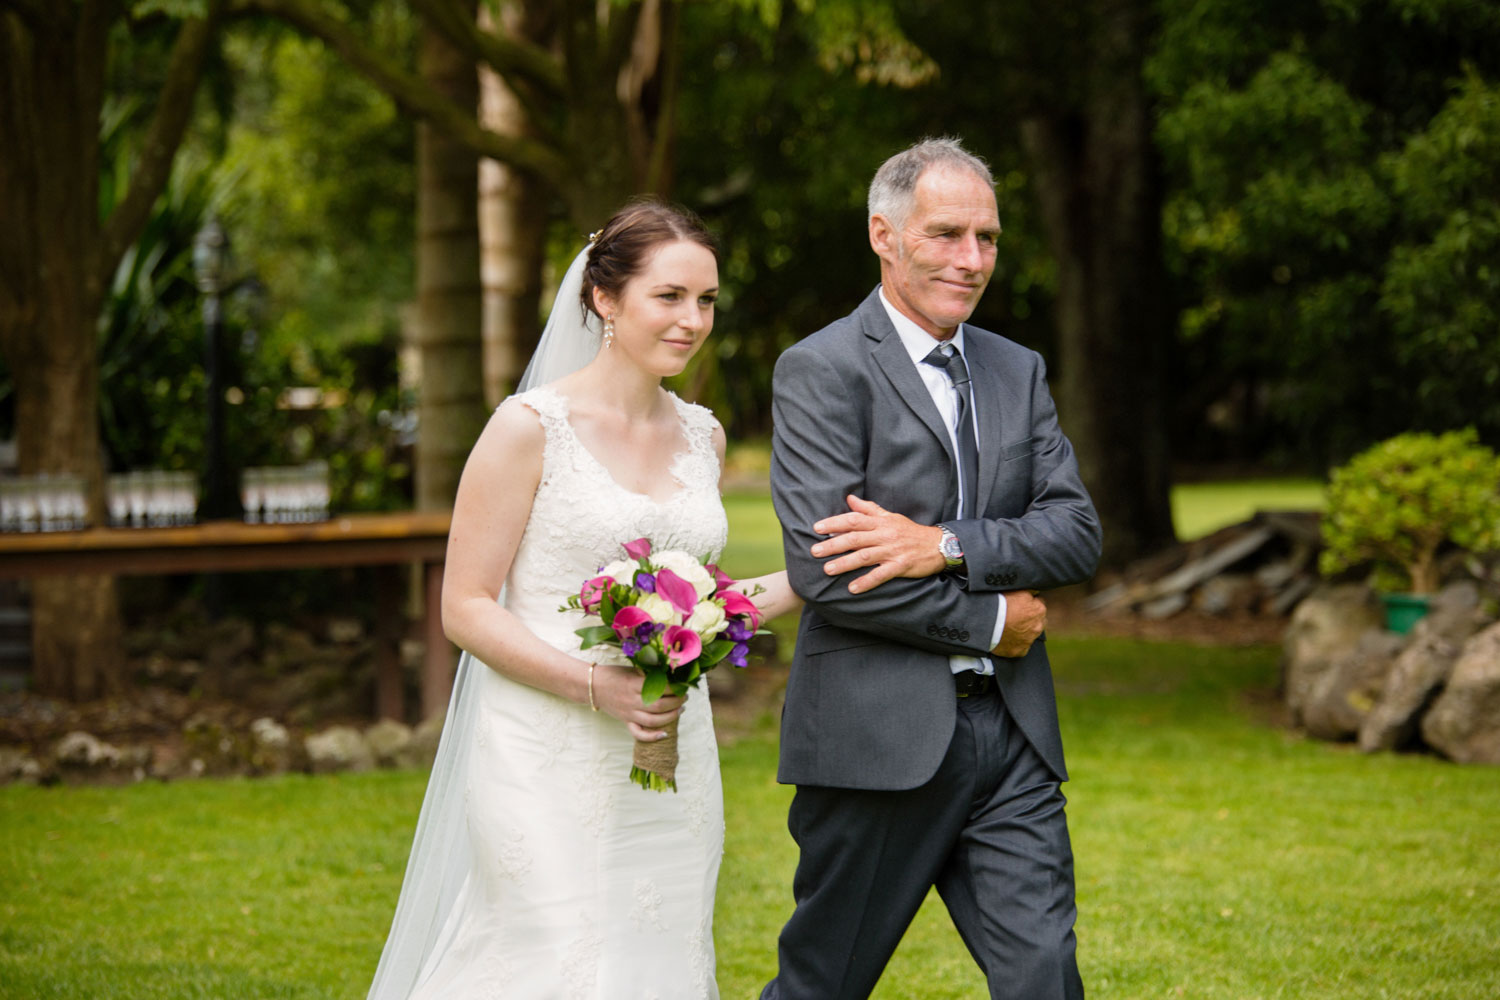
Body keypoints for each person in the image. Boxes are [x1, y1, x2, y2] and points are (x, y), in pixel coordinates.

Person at [367, 199, 800, 1000]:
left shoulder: (703, 437)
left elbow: (706, 601)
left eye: (706, 300)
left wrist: (815, 575)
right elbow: (464, 605)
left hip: (669, 749)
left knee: (657, 952)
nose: (693, 320)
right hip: (543, 747)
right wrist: (597, 686)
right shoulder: (529, 428)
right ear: (605, 298)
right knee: (554, 954)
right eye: (668, 297)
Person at [762, 138, 1102, 999]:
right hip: (876, 740)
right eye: (948, 233)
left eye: (987, 237)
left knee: (1045, 979)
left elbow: (1074, 534)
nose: (973, 259)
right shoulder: (821, 368)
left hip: (1012, 741)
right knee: (821, 985)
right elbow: (828, 573)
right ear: (885, 234)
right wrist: (993, 620)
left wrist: (943, 543)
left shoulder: (1015, 369)